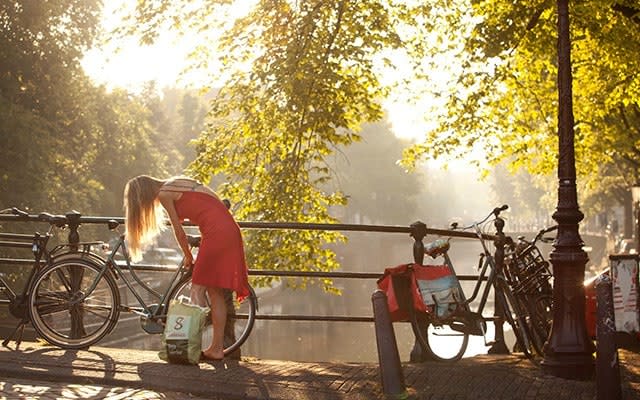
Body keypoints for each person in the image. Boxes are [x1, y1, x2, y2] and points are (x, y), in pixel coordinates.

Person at [123, 175, 249, 361]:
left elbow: (179, 231)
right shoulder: (177, 181)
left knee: (197, 289)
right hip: (227, 229)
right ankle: (216, 348)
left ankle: (189, 346)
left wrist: (188, 256)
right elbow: (211, 202)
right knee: (214, 292)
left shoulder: (165, 194)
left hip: (216, 233)